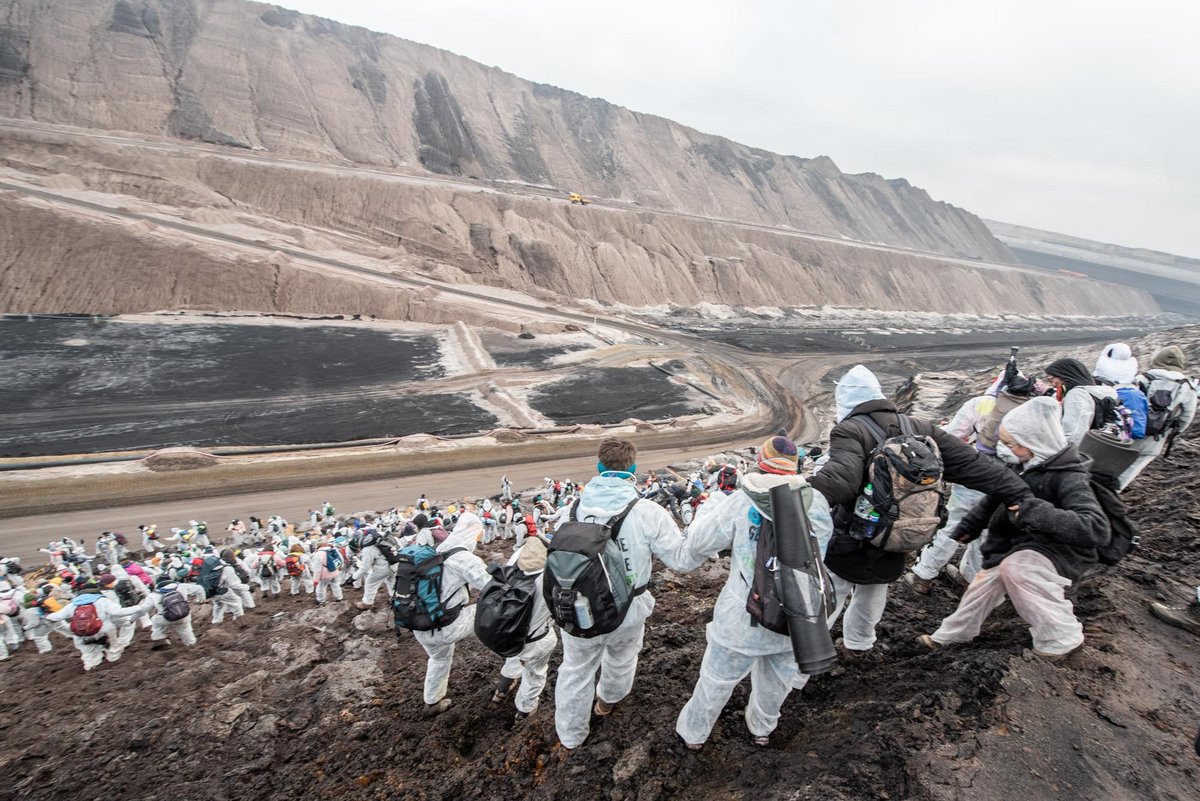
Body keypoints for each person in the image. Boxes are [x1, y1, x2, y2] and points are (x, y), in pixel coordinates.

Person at [809, 365, 1030, 659]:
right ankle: (859, 646)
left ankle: (811, 652)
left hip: (855, 532)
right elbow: (972, 465)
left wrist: (795, 496)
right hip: (902, 531)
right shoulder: (920, 428)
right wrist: (1019, 493)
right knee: (874, 590)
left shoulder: (850, 430)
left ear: (845, 402)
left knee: (832, 591)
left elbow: (841, 480)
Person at [919, 397, 1110, 661]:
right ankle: (954, 634)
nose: (1004, 450)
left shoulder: (1069, 477)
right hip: (1019, 544)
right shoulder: (1022, 467)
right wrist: (971, 525)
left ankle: (1061, 636)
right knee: (985, 583)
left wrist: (1036, 512)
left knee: (1017, 569)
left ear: (1034, 442)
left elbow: (1096, 528)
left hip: (1057, 549)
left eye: (1011, 444)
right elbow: (995, 498)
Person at [553, 438, 697, 749]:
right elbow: (680, 560)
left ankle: (571, 736)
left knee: (575, 670)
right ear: (632, 469)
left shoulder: (571, 509)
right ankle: (606, 702)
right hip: (627, 610)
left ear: (599, 467)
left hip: (577, 609)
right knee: (621, 658)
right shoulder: (647, 512)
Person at [674, 436, 814, 749]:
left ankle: (694, 735)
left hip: (743, 614)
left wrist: (712, 504)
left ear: (759, 463)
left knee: (717, 678)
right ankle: (761, 730)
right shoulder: (817, 503)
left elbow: (699, 540)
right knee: (777, 680)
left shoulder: (743, 500)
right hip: (798, 616)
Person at [412, 513, 491, 715]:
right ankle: (515, 663)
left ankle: (432, 702)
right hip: (446, 626)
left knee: (439, 658)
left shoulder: (435, 551)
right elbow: (492, 585)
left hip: (419, 623)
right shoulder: (463, 557)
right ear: (472, 532)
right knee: (492, 608)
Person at [491, 536, 558, 721]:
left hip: (506, 630)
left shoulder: (518, 555)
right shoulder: (553, 569)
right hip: (535, 639)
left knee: (515, 651)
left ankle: (502, 689)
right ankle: (524, 711)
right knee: (535, 672)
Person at [1122, 346, 1196, 488]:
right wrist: (1176, 432)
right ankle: (1114, 490)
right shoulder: (1186, 387)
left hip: (1129, 430)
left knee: (1114, 459)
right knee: (1135, 465)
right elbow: (1187, 415)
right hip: (1156, 436)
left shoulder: (1141, 379)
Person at [45, 579, 121, 671]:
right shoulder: (102, 600)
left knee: (89, 654)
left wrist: (47, 616)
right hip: (101, 630)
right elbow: (116, 612)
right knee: (112, 643)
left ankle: (91, 668)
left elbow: (57, 616)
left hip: (81, 632)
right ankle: (113, 660)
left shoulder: (74, 604)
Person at [1044, 356, 1120, 445]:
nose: (1052, 384)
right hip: (1102, 445)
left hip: (1083, 448)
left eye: (1051, 379)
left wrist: (1065, 449)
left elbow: (1075, 432)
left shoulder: (1077, 395)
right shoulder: (1097, 392)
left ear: (1065, 375)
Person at [353, 528, 394, 610]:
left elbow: (365, 567)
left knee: (370, 582)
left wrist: (354, 577)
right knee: (391, 581)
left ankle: (367, 603)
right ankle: (395, 598)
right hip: (394, 564)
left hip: (383, 567)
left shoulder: (368, 548)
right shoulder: (382, 539)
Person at [312, 540, 345, 604]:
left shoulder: (318, 554)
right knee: (336, 585)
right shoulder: (333, 550)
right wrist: (340, 567)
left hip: (325, 575)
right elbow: (341, 559)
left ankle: (321, 600)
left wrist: (316, 580)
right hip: (335, 572)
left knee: (321, 587)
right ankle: (339, 597)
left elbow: (317, 568)